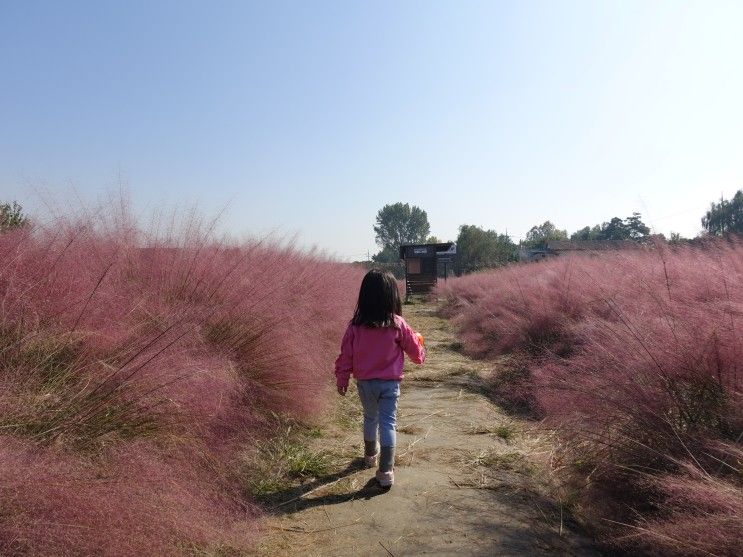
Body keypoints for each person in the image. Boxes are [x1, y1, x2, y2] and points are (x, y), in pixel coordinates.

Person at [334, 269, 426, 487]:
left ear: (364, 296)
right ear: (391, 295)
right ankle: (385, 471)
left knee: (369, 418)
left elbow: (345, 356)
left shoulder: (355, 326)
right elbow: (415, 350)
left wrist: (342, 379)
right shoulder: (397, 324)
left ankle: (369, 456)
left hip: (365, 383)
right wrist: (421, 352)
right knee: (388, 423)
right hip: (389, 385)